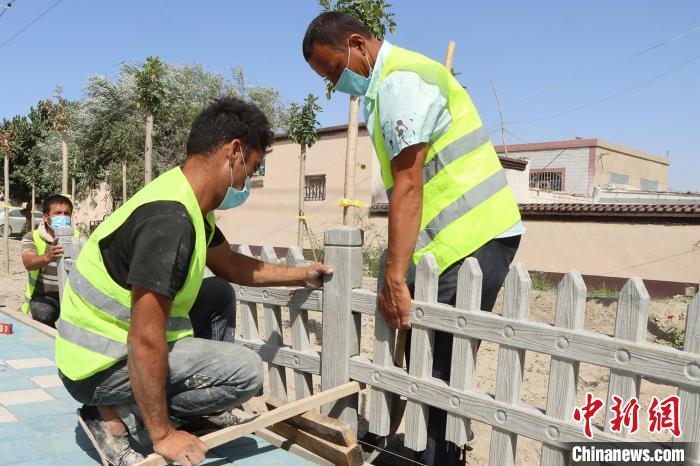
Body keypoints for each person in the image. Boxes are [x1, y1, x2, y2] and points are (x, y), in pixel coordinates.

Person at [56, 97, 333, 466]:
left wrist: (301, 274)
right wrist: (163, 435)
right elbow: (145, 336)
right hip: (95, 368)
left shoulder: (187, 200)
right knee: (245, 374)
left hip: (112, 345)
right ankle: (115, 413)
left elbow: (232, 266)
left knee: (218, 293)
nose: (248, 181)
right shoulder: (170, 221)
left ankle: (180, 409)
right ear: (234, 152)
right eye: (252, 168)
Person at [303, 12, 523, 466]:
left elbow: (408, 185)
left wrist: (394, 275)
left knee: (440, 367)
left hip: (474, 237)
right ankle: (428, 451)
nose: (334, 83)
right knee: (424, 361)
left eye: (334, 70)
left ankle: (440, 456)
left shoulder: (402, 82)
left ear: (358, 45)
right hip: (448, 242)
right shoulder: (385, 87)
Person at [21, 194, 76, 327]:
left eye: (66, 213)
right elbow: (28, 262)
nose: (63, 217)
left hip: (72, 295)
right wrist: (48, 257)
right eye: (58, 213)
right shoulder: (32, 237)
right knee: (42, 314)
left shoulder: (78, 238)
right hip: (44, 295)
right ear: (46, 217)